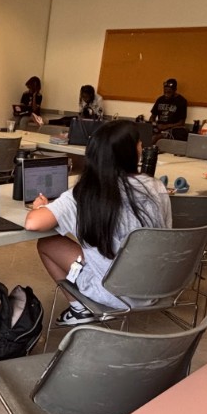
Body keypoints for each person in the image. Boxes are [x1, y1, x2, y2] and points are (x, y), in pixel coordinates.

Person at [25, 120, 172, 326]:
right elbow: (165, 235)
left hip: (113, 294)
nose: (142, 147)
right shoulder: (156, 187)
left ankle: (79, 309)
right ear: (131, 152)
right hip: (156, 287)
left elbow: (33, 224)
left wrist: (39, 207)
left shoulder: (85, 193)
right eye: (139, 143)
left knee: (47, 244)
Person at [149, 78, 189, 143]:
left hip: (172, 129)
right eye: (165, 92)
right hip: (158, 127)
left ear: (175, 90)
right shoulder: (160, 99)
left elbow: (181, 123)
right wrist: (154, 124)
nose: (166, 94)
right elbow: (152, 117)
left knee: (155, 138)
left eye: (169, 92)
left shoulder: (181, 101)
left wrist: (166, 126)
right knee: (144, 133)